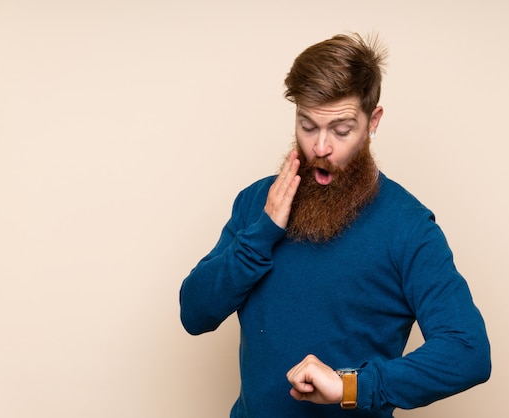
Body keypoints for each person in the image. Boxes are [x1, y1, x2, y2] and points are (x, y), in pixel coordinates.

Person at [179, 33, 491, 418]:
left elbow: (469, 352)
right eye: (307, 126)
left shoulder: (410, 228)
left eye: (341, 130)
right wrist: (261, 234)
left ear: (372, 121)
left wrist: (351, 387)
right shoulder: (257, 202)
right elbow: (194, 314)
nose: (320, 148)